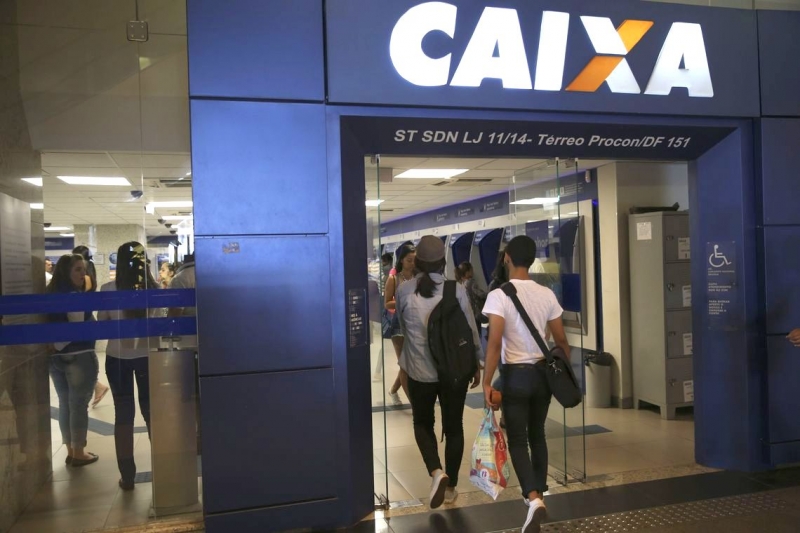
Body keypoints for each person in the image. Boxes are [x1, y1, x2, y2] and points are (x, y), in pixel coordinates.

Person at [482, 236, 570, 533]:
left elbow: (495, 343)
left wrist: (486, 382)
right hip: (542, 375)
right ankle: (539, 495)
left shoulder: (499, 296)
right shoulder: (547, 294)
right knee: (538, 435)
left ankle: (533, 499)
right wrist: (561, 374)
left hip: (515, 376)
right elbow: (561, 341)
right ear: (531, 260)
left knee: (518, 439)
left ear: (507, 257)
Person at [395, 235, 483, 508]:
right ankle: (451, 487)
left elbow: (403, 327)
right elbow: (470, 329)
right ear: (443, 262)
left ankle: (436, 472)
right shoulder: (456, 290)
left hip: (419, 372)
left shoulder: (404, 291)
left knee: (423, 423)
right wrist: (475, 362)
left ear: (417, 262)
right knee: (454, 427)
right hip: (453, 371)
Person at [98, 242, 157, 490]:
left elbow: (103, 323)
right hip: (147, 357)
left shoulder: (108, 290)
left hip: (117, 357)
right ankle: (163, 468)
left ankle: (128, 476)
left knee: (123, 414)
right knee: (151, 412)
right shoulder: (153, 289)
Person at [47, 254, 100, 467]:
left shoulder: (51, 293)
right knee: (77, 405)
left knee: (65, 403)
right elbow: (75, 327)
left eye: (83, 269)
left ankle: (70, 450)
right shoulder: (74, 296)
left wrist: (54, 347)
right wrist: (58, 344)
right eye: (77, 269)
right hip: (78, 355)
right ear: (65, 272)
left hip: (55, 359)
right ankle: (78, 452)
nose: (83, 274)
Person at [73, 245, 110, 408]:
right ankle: (97, 386)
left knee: (85, 359)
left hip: (85, 321)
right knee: (82, 359)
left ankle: (96, 387)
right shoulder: (88, 276)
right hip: (84, 320)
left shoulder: (85, 279)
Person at [383, 245, 415, 406]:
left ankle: (394, 390)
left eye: (415, 260)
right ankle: (414, 404)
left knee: (410, 364)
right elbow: (387, 303)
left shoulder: (418, 277)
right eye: (409, 260)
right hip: (399, 326)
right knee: (405, 365)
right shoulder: (393, 279)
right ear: (401, 260)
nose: (412, 263)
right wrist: (403, 301)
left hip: (415, 324)